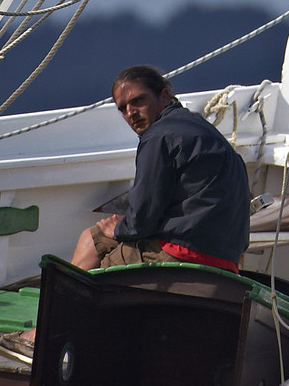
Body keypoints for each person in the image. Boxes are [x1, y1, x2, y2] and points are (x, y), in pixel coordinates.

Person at [71, 65, 251, 272]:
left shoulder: (158, 136)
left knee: (90, 261)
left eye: (138, 101)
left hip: (183, 252)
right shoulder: (200, 128)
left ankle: (62, 299)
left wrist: (118, 229)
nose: (131, 113)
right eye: (122, 108)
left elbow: (142, 220)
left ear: (164, 97)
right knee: (95, 237)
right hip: (226, 259)